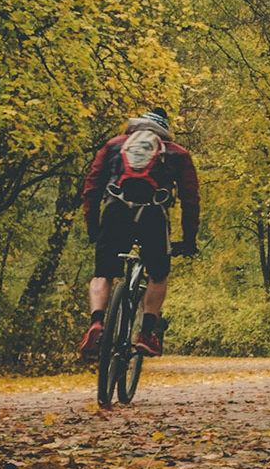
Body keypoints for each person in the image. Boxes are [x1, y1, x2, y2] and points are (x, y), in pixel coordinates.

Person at [78, 108, 200, 360]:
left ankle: (98, 322)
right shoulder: (176, 152)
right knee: (158, 274)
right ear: (163, 131)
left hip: (115, 212)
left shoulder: (113, 145)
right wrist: (189, 240)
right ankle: (146, 334)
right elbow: (191, 199)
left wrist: (93, 228)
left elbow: (91, 187)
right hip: (153, 216)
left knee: (102, 274)